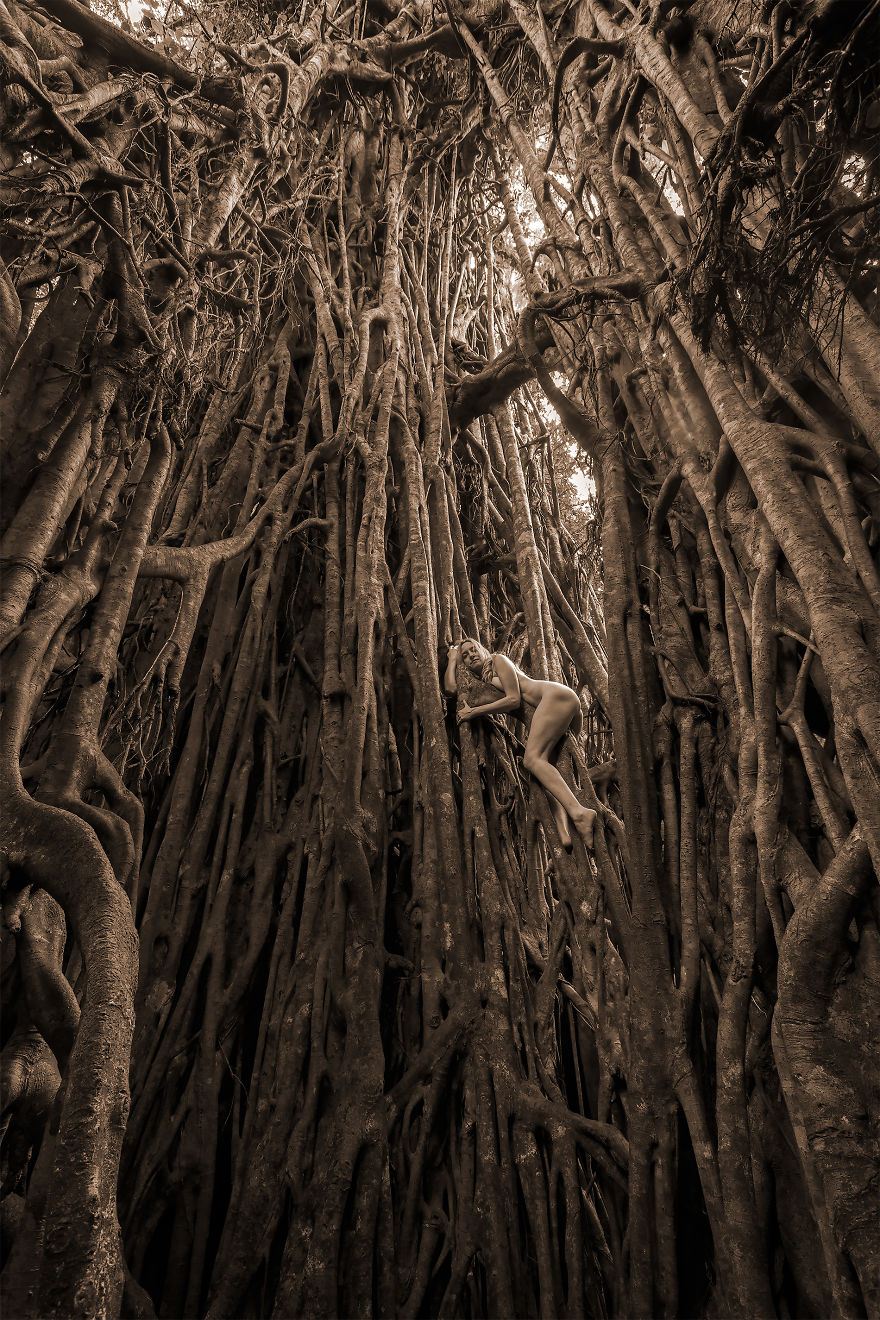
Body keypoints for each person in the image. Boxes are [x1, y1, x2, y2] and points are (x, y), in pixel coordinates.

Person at [443, 638, 596, 849]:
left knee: (532, 760)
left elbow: (514, 699)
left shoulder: (498, 660)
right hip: (557, 706)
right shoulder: (478, 679)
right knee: (544, 772)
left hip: (556, 697)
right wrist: (452, 659)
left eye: (473, 650)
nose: (471, 656)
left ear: (482, 649)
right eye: (465, 656)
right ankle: (564, 830)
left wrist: (474, 712)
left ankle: (580, 813)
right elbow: (451, 689)